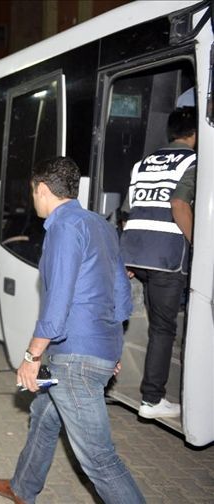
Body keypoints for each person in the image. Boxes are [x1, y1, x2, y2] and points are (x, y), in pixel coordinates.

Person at [0, 157, 144, 504]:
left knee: (99, 460)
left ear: (42, 189)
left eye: (33, 192)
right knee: (44, 415)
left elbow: (57, 303)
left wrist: (31, 355)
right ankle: (23, 488)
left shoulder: (62, 227)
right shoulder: (101, 226)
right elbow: (122, 297)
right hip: (92, 350)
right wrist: (109, 350)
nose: (33, 199)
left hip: (73, 359)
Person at [119, 107, 196, 419]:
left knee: (151, 324)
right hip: (166, 256)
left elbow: (128, 210)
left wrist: (130, 255)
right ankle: (152, 399)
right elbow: (179, 204)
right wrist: (199, 245)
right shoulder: (193, 161)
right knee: (164, 328)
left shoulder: (143, 163)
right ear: (195, 134)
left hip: (136, 253)